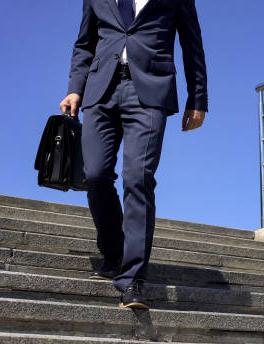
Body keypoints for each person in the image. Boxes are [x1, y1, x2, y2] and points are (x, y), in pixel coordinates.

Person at [59, 0, 208, 309]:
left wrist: (199, 98)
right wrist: (75, 88)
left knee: (138, 178)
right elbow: (84, 44)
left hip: (151, 91)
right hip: (100, 91)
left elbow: (192, 46)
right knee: (96, 174)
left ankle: (133, 279)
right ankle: (113, 253)